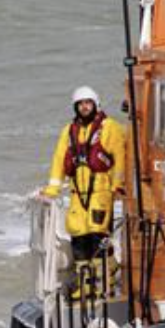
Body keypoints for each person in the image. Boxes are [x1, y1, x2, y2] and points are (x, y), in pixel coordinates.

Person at [42, 86, 126, 297]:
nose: (84, 107)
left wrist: (117, 185)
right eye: (80, 104)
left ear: (96, 104)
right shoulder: (68, 132)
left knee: (98, 235)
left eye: (87, 102)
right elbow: (59, 160)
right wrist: (53, 188)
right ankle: (86, 283)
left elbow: (120, 158)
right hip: (77, 193)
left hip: (101, 192)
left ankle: (102, 281)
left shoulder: (109, 128)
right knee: (78, 236)